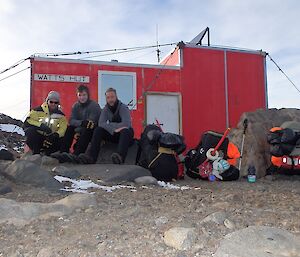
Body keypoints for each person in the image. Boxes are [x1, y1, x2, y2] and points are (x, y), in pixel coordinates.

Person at [79, 87, 134, 164]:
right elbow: (101, 123)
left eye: (112, 97)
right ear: (106, 99)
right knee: (98, 130)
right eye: (108, 97)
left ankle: (120, 157)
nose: (110, 99)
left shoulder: (123, 107)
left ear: (116, 97)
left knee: (125, 131)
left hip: (125, 136)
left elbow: (126, 124)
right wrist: (114, 129)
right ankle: (91, 157)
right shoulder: (105, 109)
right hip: (114, 133)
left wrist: (110, 125)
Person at [58, 84, 101, 157]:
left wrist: (78, 128)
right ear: (77, 96)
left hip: (93, 131)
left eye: (84, 95)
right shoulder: (75, 106)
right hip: (81, 128)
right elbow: (71, 121)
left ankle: (77, 154)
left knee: (86, 129)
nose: (82, 97)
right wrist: (80, 125)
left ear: (88, 95)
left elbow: (90, 123)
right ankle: (63, 152)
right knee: (69, 128)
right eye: (80, 95)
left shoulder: (94, 106)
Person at [23, 91, 67, 155]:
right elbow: (28, 121)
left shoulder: (61, 116)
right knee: (30, 131)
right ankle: (36, 152)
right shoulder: (37, 110)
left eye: (56, 102)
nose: (53, 104)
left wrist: (56, 135)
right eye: (51, 102)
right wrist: (41, 126)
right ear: (47, 101)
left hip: (51, 139)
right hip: (38, 137)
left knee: (63, 138)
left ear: (58, 103)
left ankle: (49, 154)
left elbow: (63, 128)